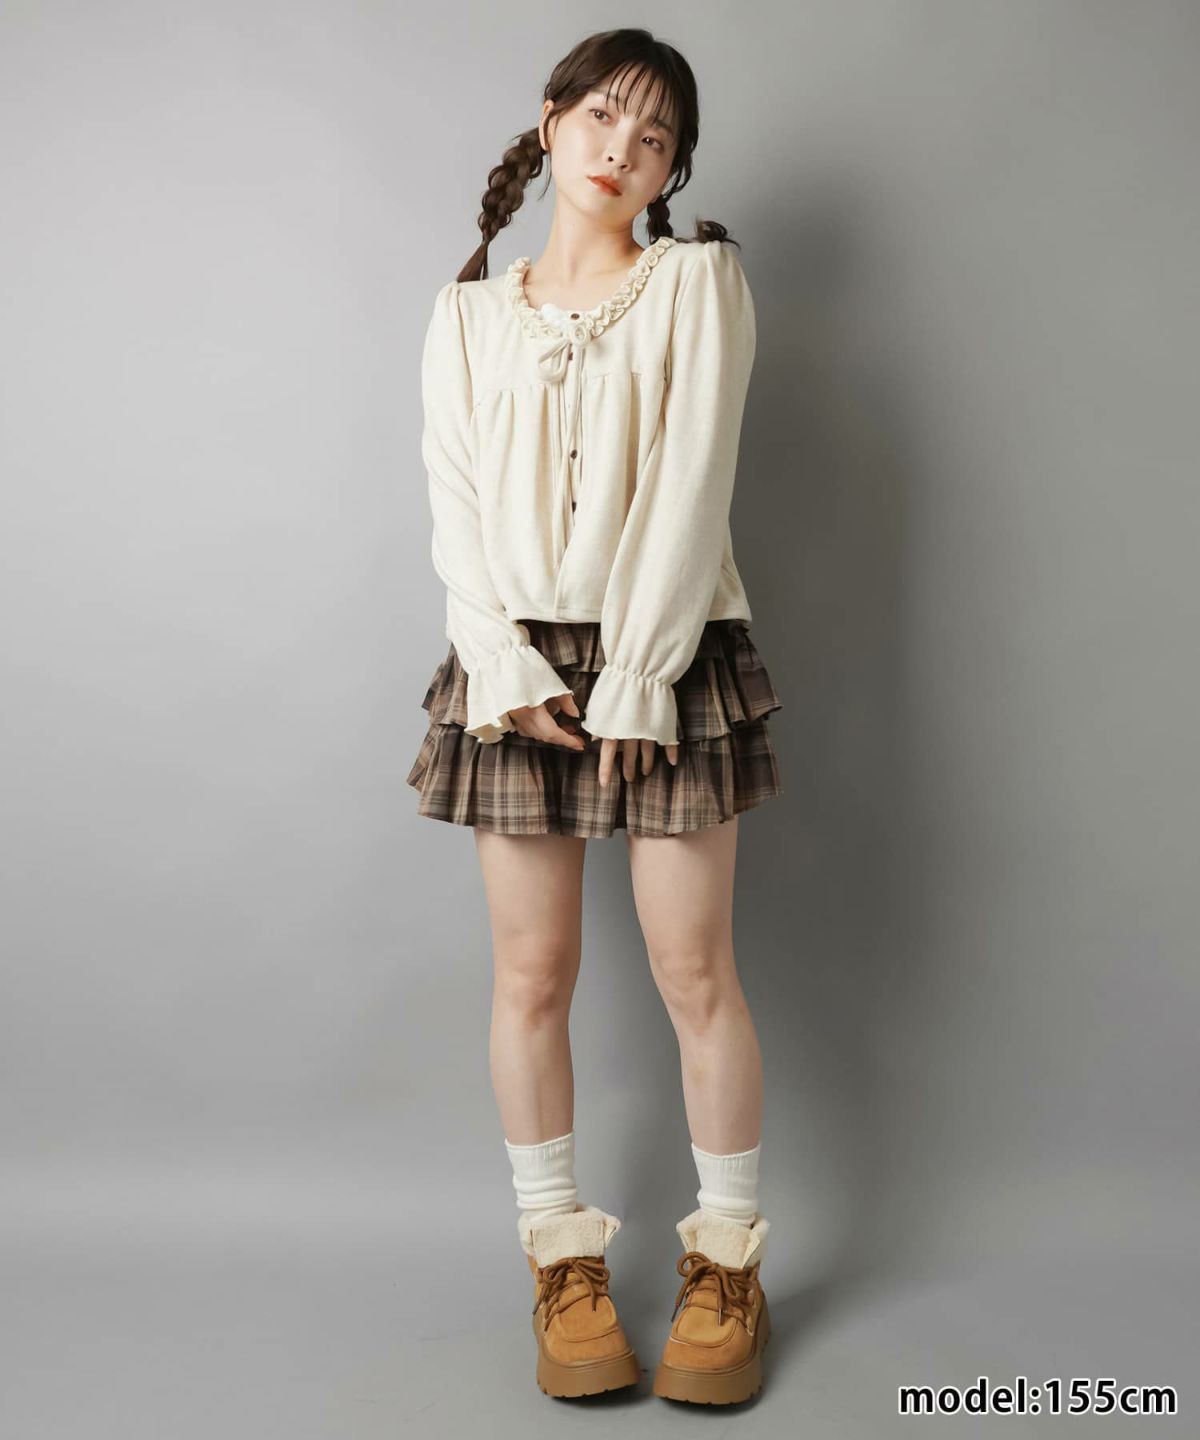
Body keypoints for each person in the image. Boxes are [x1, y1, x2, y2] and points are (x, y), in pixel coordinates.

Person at [407, 28, 780, 1404]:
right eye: (605, 118)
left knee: (695, 974)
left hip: (663, 650)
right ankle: (560, 1263)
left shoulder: (696, 282)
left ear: (674, 171)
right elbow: (453, 506)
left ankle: (727, 1265)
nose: (623, 151)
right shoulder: (464, 315)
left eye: (656, 138)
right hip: (515, 667)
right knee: (531, 975)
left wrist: (640, 672)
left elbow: (693, 480)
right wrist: (499, 664)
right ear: (551, 120)